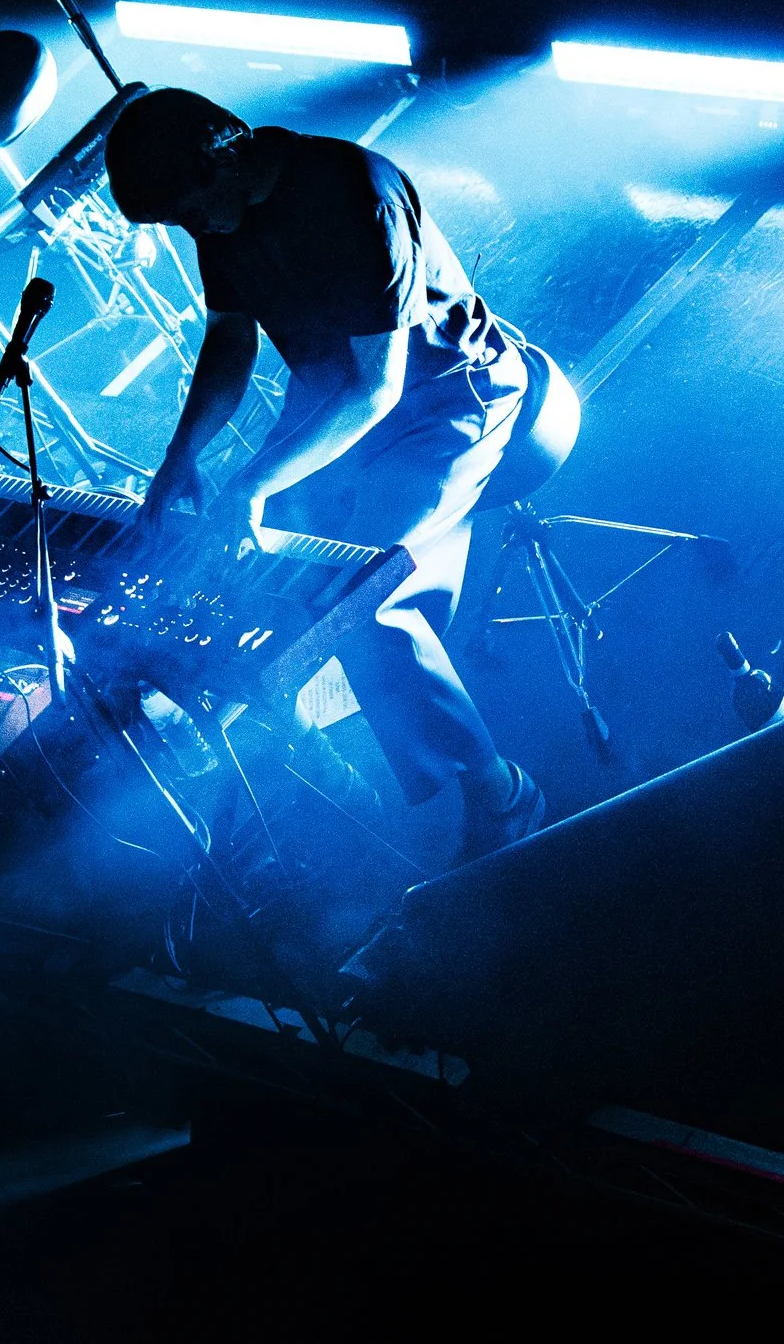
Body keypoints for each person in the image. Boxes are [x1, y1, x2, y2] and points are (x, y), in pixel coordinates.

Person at [103, 88, 542, 864]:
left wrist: (250, 486)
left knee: (359, 602)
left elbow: (377, 387)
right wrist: (183, 457)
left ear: (226, 150)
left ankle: (499, 788)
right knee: (240, 580)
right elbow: (230, 343)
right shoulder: (220, 207)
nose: (193, 229)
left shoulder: (351, 191)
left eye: (190, 210)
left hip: (445, 401)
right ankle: (329, 777)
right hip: (332, 408)